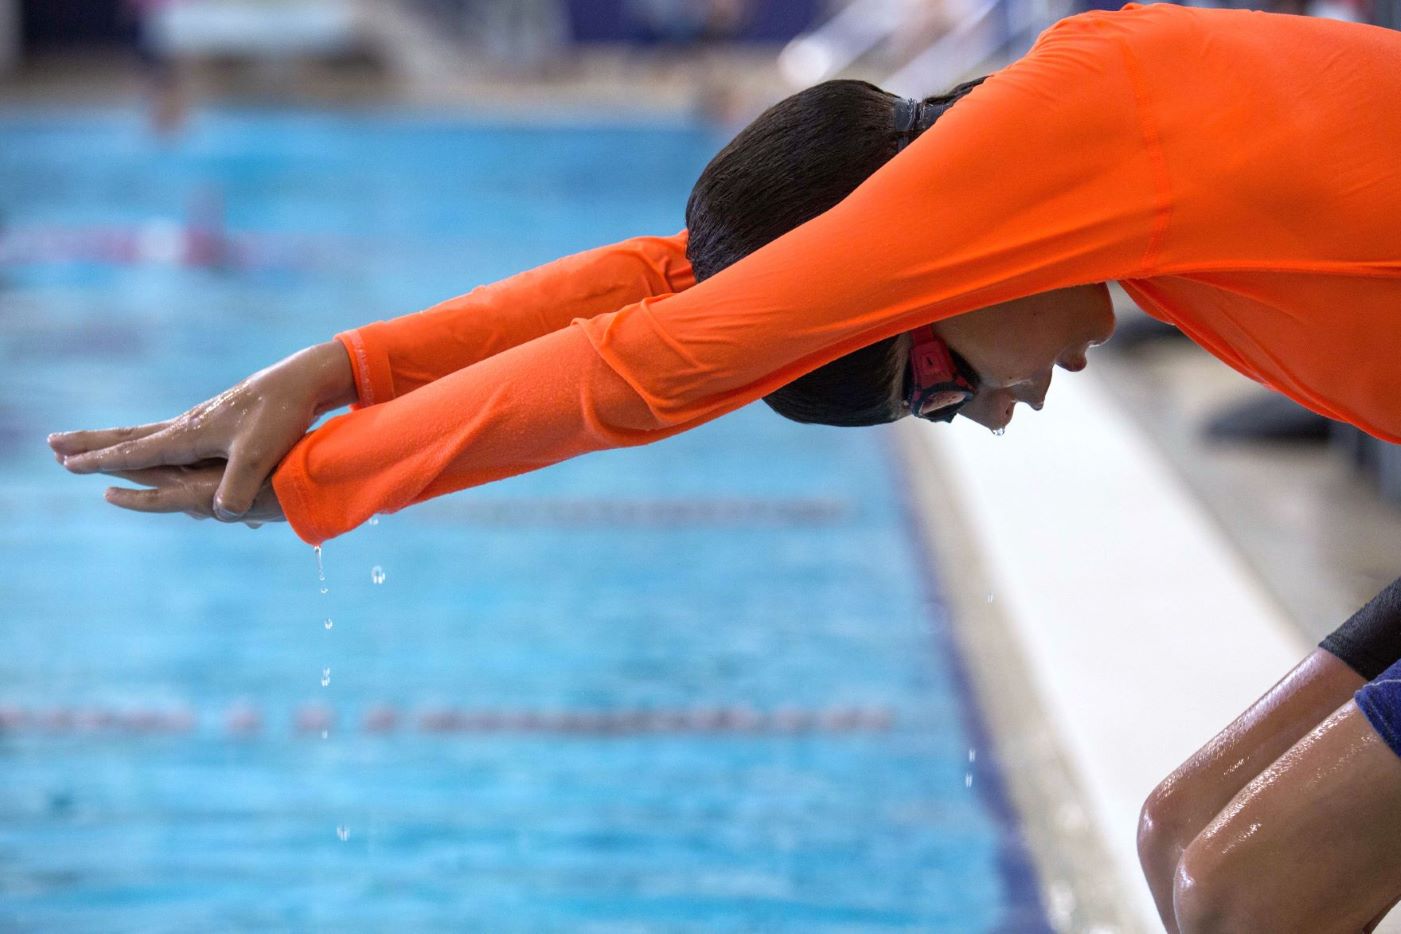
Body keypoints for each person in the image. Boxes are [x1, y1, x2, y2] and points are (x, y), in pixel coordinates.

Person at [48, 3, 1401, 929]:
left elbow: (655, 363)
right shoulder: (1022, 144)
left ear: (911, 283)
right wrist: (333, 371)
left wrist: (307, 481)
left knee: (1249, 881)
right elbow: (670, 280)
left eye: (928, 386)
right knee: (1179, 833)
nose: (985, 416)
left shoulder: (1044, 144)